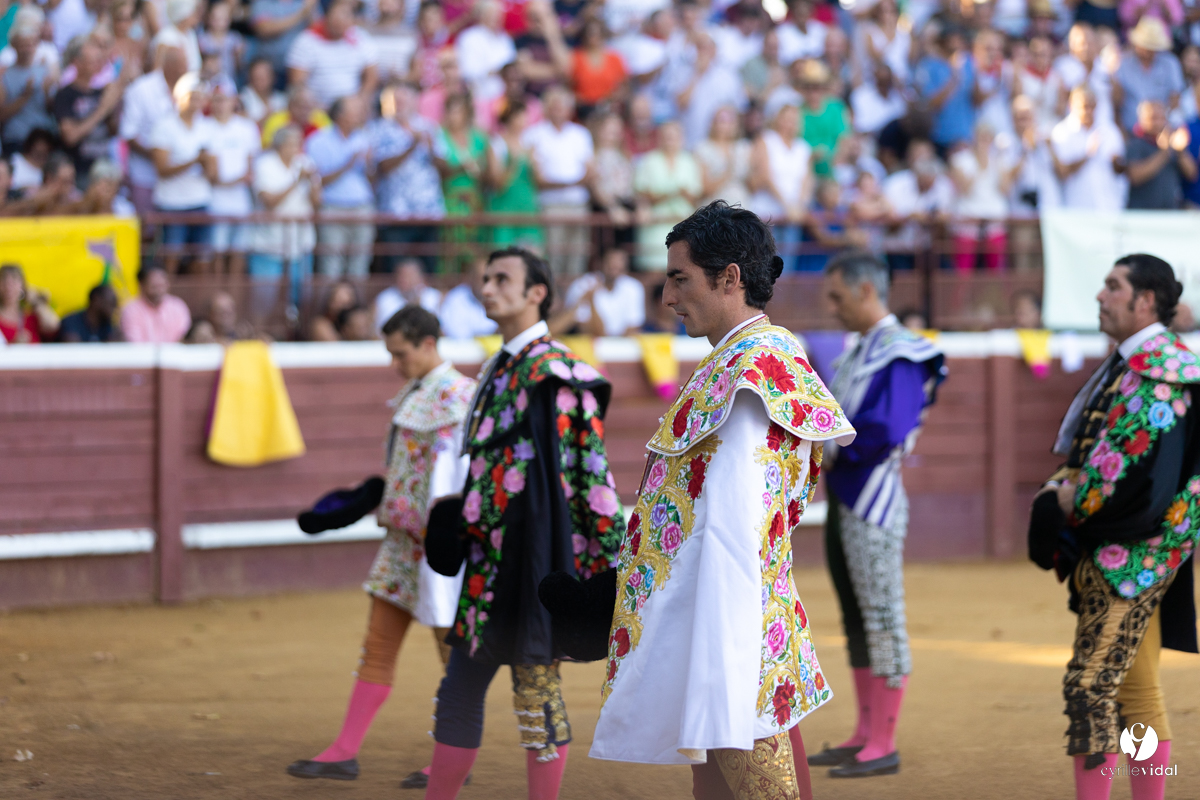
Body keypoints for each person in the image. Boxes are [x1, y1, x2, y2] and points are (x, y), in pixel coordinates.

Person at [582, 201, 853, 799]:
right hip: (722, 612)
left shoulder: (750, 373)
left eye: (680, 279)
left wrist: (725, 656)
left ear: (729, 278)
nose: (667, 298)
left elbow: (734, 525)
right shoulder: (743, 361)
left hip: (728, 619)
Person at [419, 247, 624, 800]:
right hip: (490, 560)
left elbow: (589, 474)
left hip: (536, 559)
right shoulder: (500, 368)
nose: (488, 288)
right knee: (460, 685)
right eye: (485, 279)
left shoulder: (556, 372)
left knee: (535, 692)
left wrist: (611, 562)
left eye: (502, 279)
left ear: (537, 293)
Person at [1028, 254, 1200, 800]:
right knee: (1135, 690)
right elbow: (1098, 454)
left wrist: (1062, 500)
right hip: (1141, 546)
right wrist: (1060, 487)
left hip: (1133, 551)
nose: (1101, 296)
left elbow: (1121, 469)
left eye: (1113, 286)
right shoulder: (1141, 361)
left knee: (1091, 691)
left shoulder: (1158, 366)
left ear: (1145, 300)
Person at [286, 306, 476, 785]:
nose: (395, 363)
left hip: (441, 550)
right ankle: (343, 752)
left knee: (452, 656)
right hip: (402, 543)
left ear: (428, 343)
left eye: (401, 353)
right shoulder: (417, 390)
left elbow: (458, 477)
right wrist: (379, 494)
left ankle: (454, 759)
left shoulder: (459, 398)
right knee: (378, 643)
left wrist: (446, 535)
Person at [806, 251, 945, 778]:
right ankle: (865, 732)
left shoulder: (901, 351)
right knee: (857, 615)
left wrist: (833, 448)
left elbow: (887, 429)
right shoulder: (860, 349)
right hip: (847, 497)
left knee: (882, 615)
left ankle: (883, 739)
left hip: (875, 500)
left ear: (866, 290)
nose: (832, 307)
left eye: (837, 296)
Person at [371, 82, 444, 274]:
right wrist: (412, 145)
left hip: (427, 211)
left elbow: (444, 167)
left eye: (404, 100)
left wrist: (431, 148)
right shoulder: (381, 128)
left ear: (415, 101)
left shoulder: (429, 127)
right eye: (397, 100)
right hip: (396, 212)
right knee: (395, 269)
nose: (400, 104)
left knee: (428, 269)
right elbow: (383, 167)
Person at [150, 71, 217, 275]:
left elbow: (213, 173)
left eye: (200, 97)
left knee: (202, 258)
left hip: (200, 200)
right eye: (192, 96)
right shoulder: (164, 126)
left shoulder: (207, 127)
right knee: (171, 257)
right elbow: (162, 169)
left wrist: (206, 165)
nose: (197, 102)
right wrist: (195, 160)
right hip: (171, 203)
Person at [523, 87, 593, 276]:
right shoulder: (534, 134)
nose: (558, 110)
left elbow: (590, 170)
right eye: (554, 106)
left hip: (578, 204)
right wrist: (573, 183)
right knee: (553, 255)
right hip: (550, 204)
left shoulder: (580, 134)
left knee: (578, 254)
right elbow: (537, 178)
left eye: (562, 106)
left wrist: (564, 183)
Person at [250, 125, 322, 312]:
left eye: (298, 143)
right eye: (292, 143)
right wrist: (297, 181)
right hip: (270, 242)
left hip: (301, 241)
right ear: (280, 145)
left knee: (300, 296)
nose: (297, 148)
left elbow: (317, 203)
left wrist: (312, 183)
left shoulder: (306, 162)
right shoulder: (264, 164)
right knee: (265, 297)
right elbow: (269, 202)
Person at [307, 94, 375, 278]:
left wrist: (370, 165)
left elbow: (372, 179)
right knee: (331, 264)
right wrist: (348, 164)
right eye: (354, 112)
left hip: (362, 207)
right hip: (332, 206)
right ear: (340, 115)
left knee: (360, 263)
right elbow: (316, 180)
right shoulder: (318, 141)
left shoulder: (364, 138)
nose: (359, 115)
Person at [121, 44, 189, 217]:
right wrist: (159, 157)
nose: (186, 68)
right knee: (148, 227)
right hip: (145, 176)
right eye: (182, 64)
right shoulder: (141, 89)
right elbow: (129, 134)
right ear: (169, 65)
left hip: (181, 182)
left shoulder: (189, 87)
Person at [54, 36, 129, 186]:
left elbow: (114, 131)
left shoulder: (102, 92)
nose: (98, 64)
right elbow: (70, 136)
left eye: (99, 61)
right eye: (92, 61)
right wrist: (103, 109)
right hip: (80, 170)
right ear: (77, 62)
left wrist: (116, 103)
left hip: (105, 168)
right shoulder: (65, 94)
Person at [749, 103, 813, 273]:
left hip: (792, 214)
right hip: (768, 211)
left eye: (794, 120)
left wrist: (800, 205)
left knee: (787, 264)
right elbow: (765, 176)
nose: (790, 123)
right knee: (765, 263)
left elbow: (807, 181)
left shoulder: (803, 147)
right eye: (787, 119)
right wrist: (787, 205)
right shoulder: (766, 140)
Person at [207, 82, 262, 276]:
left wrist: (234, 180)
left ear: (234, 101)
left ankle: (234, 291)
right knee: (217, 252)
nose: (220, 105)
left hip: (241, 201)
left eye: (223, 100)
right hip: (214, 202)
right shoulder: (204, 127)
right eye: (216, 100)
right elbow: (212, 175)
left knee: (239, 251)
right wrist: (236, 179)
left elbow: (251, 167)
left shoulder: (247, 128)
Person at [433, 92, 490, 273]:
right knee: (450, 249)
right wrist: (464, 167)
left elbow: (488, 172)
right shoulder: (439, 136)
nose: (453, 116)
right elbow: (440, 169)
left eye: (458, 111)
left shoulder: (480, 138)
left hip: (474, 202)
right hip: (449, 201)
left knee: (473, 249)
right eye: (450, 110)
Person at [286, 0, 379, 109]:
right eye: (336, 15)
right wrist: (317, 108)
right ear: (327, 15)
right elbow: (298, 84)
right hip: (316, 109)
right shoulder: (306, 40)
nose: (339, 20)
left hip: (351, 108)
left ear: (353, 19)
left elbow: (371, 76)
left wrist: (360, 102)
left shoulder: (361, 38)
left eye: (346, 15)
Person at [1051, 86, 1126, 212]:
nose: (1089, 111)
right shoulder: (1061, 132)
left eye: (1092, 106)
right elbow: (1063, 172)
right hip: (1076, 209)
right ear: (1071, 106)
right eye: (1085, 106)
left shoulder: (1109, 130)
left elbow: (1120, 169)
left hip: (1109, 207)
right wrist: (1088, 154)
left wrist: (1116, 162)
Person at [1114, 17, 1184, 134]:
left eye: (1151, 46)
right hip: (1131, 131)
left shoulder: (1170, 63)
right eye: (1145, 45)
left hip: (1162, 131)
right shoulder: (1123, 63)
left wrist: (1168, 127)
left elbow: (1175, 99)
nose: (1147, 50)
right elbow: (1117, 102)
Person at [487, 102, 543, 249]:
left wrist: (535, 166)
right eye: (518, 116)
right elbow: (497, 183)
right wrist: (515, 162)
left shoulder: (529, 143)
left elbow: (538, 180)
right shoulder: (497, 144)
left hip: (527, 209)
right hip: (504, 210)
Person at [0, 11, 56, 157]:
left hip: (43, 138)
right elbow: (2, 115)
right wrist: (24, 96)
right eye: (23, 45)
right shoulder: (5, 75)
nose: (28, 49)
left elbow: (53, 109)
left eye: (31, 44)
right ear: (14, 45)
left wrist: (47, 92)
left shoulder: (45, 71)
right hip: (16, 139)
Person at [1125, 100, 1198, 209]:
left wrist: (1181, 151)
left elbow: (1192, 174)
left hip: (1170, 213)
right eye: (1153, 118)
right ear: (1142, 120)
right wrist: (1165, 152)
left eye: (1162, 118)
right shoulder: (1135, 143)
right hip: (1142, 214)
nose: (1159, 123)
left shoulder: (1173, 143)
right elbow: (1135, 176)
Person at [556, 248, 645, 336]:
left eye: (618, 267)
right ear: (599, 263)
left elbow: (633, 328)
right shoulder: (584, 285)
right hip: (589, 343)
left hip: (622, 343)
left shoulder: (633, 287)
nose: (614, 269)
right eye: (611, 265)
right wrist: (591, 301)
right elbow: (587, 330)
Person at [121, 265, 192, 343]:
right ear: (142, 284)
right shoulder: (131, 310)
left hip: (175, 351)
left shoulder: (178, 306)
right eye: (154, 286)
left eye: (161, 285)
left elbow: (184, 338)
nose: (159, 289)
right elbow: (135, 343)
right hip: (142, 351)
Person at [373, 258, 443, 332]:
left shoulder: (437, 298)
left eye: (409, 276)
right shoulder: (384, 299)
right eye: (401, 275)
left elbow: (443, 330)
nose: (404, 280)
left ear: (420, 277)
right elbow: (373, 331)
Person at [438, 258, 498, 339]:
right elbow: (457, 334)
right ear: (471, 278)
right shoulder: (456, 298)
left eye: (490, 280)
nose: (487, 284)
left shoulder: (498, 297)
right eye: (483, 279)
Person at [0, 263, 59, 343]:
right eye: (4, 280)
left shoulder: (31, 317)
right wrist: (13, 345)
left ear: (23, 286)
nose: (8, 286)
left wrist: (36, 302)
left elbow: (53, 326)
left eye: (14, 280)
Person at [262, 85, 331, 148]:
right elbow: (268, 147)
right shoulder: (276, 121)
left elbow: (330, 144)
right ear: (290, 105)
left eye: (308, 107)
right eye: (301, 106)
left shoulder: (320, 118)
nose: (304, 111)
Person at [58, 283, 122, 343]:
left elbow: (119, 344)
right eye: (112, 303)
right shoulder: (71, 321)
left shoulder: (108, 324)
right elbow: (73, 348)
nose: (115, 308)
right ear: (96, 300)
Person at [241, 58, 287, 126]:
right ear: (250, 77)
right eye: (257, 76)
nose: (260, 80)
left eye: (264, 76)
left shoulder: (281, 99)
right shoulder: (242, 99)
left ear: (273, 77)